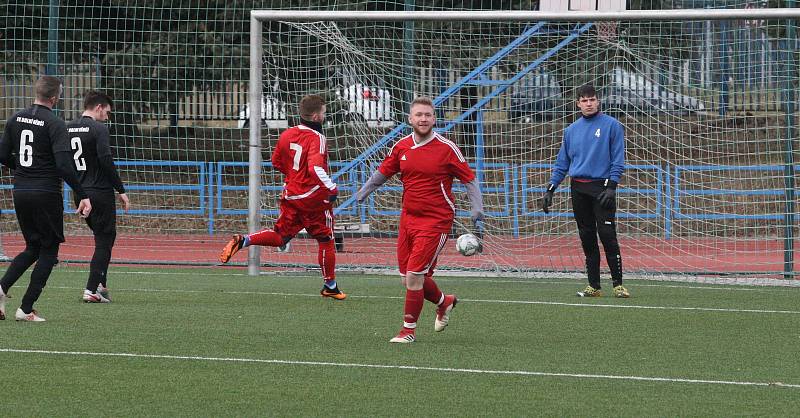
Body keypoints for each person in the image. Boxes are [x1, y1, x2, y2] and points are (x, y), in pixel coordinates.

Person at [356, 96, 484, 343]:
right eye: (419, 115)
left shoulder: (447, 148)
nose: (423, 119)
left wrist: (476, 209)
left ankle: (408, 331)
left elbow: (469, 179)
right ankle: (444, 302)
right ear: (410, 119)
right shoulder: (401, 146)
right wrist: (363, 192)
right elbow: (384, 172)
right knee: (408, 278)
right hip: (408, 219)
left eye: (428, 115)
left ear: (434, 119)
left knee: (415, 275)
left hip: (436, 220)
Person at [219, 94, 346, 300]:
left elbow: (276, 161)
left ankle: (244, 241)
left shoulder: (287, 134)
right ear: (315, 117)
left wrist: (294, 176)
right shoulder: (318, 138)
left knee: (281, 236)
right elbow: (315, 168)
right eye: (323, 113)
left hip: (291, 195)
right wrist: (332, 188)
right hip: (313, 198)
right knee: (326, 239)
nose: (324, 116)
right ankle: (330, 285)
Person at [0, 75, 92, 322]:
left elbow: (2, 154)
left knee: (33, 247)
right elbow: (63, 164)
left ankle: (1, 289)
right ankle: (26, 309)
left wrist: (21, 168)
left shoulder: (15, 118)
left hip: (20, 192)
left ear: (37, 93)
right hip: (45, 192)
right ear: (55, 97)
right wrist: (83, 195)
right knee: (49, 251)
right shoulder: (54, 123)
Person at [540, 84, 630, 298]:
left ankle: (618, 284)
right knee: (587, 236)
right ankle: (594, 286)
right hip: (578, 188)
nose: (589, 104)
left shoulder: (612, 126)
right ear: (578, 103)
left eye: (592, 99)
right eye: (584, 100)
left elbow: (618, 160)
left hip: (601, 189)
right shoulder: (571, 130)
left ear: (598, 101)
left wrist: (612, 186)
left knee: (607, 235)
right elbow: (562, 163)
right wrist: (551, 189)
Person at [68, 91, 130, 303]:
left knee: (103, 238)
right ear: (99, 107)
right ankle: (91, 289)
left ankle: (101, 284)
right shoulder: (99, 129)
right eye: (108, 112)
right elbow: (105, 159)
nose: (108, 117)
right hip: (100, 193)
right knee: (104, 240)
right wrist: (121, 190)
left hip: (80, 193)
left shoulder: (68, 128)